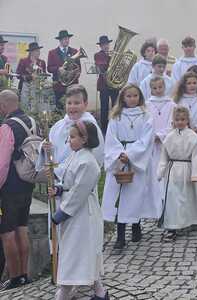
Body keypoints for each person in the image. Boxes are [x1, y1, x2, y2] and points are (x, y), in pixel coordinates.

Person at [48, 121, 108, 300]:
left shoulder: (89, 162)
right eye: (69, 137)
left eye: (72, 137)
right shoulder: (75, 156)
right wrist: (58, 189)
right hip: (74, 216)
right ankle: (100, 292)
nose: (68, 141)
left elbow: (79, 192)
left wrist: (62, 213)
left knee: (76, 253)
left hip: (82, 216)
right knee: (81, 253)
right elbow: (67, 179)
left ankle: (64, 291)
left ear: (85, 139)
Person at [102, 84, 155, 249]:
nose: (132, 99)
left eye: (135, 96)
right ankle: (120, 236)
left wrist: (130, 154)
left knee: (135, 195)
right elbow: (111, 138)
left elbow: (147, 139)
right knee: (120, 197)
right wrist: (120, 154)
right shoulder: (116, 116)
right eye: (129, 96)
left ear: (140, 97)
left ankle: (136, 224)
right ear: (123, 98)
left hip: (136, 160)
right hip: (119, 159)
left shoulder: (146, 115)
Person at [0, 90, 37, 290]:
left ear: (5, 105)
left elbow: (3, 162)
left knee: (6, 232)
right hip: (27, 182)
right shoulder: (31, 121)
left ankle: (14, 277)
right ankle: (24, 274)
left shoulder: (7, 126)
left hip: (10, 186)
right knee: (22, 228)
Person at [157, 106, 197, 239]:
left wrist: (196, 174)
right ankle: (174, 225)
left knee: (190, 197)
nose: (180, 122)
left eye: (182, 119)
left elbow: (196, 156)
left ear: (187, 120)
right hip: (173, 170)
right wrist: (160, 172)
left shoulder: (193, 137)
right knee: (174, 198)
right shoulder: (169, 137)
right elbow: (164, 156)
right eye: (177, 119)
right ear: (173, 121)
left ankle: (193, 221)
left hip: (188, 170)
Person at [146, 76, 176, 218]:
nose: (158, 90)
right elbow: (145, 124)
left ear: (165, 87)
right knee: (153, 176)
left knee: (166, 175)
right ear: (150, 89)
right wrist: (152, 136)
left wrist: (161, 135)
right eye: (154, 88)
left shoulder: (171, 105)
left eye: (160, 87)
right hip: (151, 146)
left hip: (166, 145)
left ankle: (167, 206)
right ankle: (156, 207)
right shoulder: (146, 105)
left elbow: (173, 122)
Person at [173, 71, 197, 161]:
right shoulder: (179, 100)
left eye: (195, 83)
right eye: (189, 83)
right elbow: (175, 117)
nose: (192, 85)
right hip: (183, 135)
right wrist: (185, 129)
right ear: (184, 85)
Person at [47, 30, 80, 110]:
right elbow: (49, 68)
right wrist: (58, 69)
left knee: (73, 107)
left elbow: (78, 68)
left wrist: (72, 74)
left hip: (72, 85)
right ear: (60, 40)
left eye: (68, 38)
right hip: (59, 85)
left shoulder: (74, 51)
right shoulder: (52, 52)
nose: (67, 40)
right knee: (59, 108)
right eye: (65, 39)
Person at [94, 35, 119, 135]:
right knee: (104, 107)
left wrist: (116, 58)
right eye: (104, 45)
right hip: (104, 85)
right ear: (100, 46)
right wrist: (111, 58)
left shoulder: (113, 54)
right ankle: (104, 129)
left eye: (107, 44)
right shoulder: (98, 55)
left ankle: (115, 126)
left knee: (115, 106)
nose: (106, 46)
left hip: (114, 84)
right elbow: (102, 66)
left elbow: (119, 67)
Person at [16, 42, 47, 112]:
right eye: (37, 51)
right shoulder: (23, 61)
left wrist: (41, 73)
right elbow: (18, 74)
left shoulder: (42, 62)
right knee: (25, 106)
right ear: (31, 52)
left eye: (39, 51)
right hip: (25, 87)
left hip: (38, 88)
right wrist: (29, 77)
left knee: (36, 107)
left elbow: (45, 76)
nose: (39, 53)